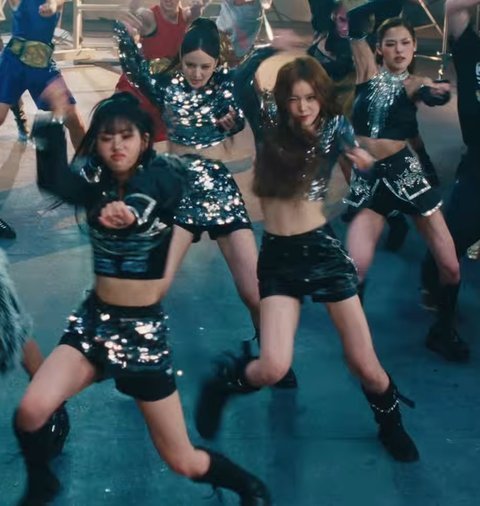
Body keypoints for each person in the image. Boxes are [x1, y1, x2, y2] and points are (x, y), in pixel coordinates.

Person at [13, 92, 271, 505]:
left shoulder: (164, 175)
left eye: (126, 136)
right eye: (107, 137)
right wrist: (54, 117)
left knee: (182, 460)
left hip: (142, 337)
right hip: (94, 323)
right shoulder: (95, 187)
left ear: (144, 140)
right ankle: (42, 482)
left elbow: (154, 195)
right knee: (30, 411)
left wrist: (131, 211)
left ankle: (250, 487)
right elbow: (53, 180)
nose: (117, 145)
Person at [195, 56, 419, 463]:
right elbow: (241, 80)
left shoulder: (335, 127)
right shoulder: (268, 123)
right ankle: (222, 384)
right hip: (279, 257)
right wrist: (269, 50)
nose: (303, 107)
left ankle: (391, 424)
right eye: (295, 99)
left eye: (311, 98)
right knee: (272, 367)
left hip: (321, 250)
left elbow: (360, 160)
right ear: (283, 100)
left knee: (364, 363)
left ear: (321, 97)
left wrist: (365, 163)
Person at [115, 17, 298, 387]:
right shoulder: (165, 86)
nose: (197, 73)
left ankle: (272, 355)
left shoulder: (227, 86)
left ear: (216, 63)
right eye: (190, 64)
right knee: (154, 286)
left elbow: (248, 79)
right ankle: (134, 358)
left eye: (205, 66)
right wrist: (123, 32)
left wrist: (234, 122)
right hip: (178, 194)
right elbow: (135, 68)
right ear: (180, 59)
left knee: (254, 290)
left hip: (218, 192)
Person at [343, 9, 468, 361]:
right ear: (378, 48)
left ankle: (443, 330)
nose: (399, 50)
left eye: (405, 43)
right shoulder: (366, 73)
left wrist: (436, 93)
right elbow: (354, 25)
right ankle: (357, 341)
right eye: (391, 44)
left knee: (450, 265)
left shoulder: (414, 83)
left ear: (414, 48)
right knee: (356, 267)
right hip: (370, 179)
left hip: (404, 174)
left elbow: (425, 90)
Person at [420, 0, 480, 359]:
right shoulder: (472, 48)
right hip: (478, 166)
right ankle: (441, 326)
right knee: (451, 245)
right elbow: (454, 7)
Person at [116, 0, 207, 143]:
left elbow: (195, 11)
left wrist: (200, 4)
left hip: (164, 90)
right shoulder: (149, 16)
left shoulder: (185, 16)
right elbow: (137, 15)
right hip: (141, 87)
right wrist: (131, 14)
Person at [0, 0, 85, 149]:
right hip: (13, 66)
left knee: (75, 121)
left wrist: (53, 4)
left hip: (43, 67)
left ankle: (86, 162)